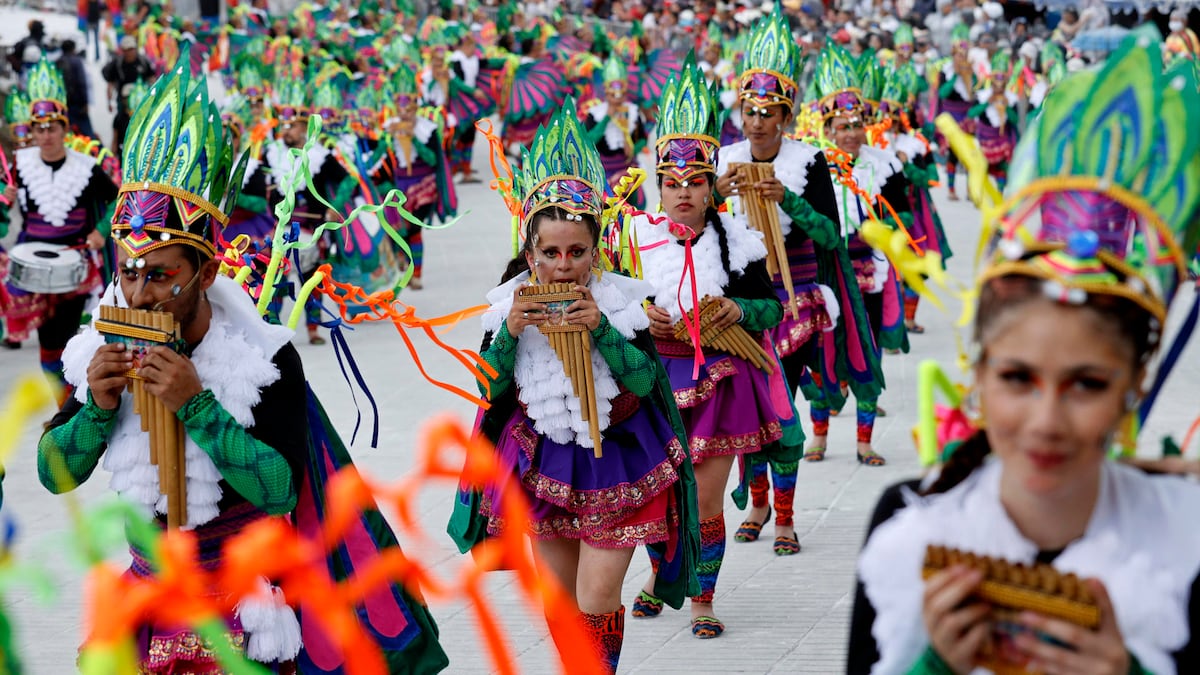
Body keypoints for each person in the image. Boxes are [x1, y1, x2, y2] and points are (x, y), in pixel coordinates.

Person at [849, 33, 1200, 675]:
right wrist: (933, 666)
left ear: (1135, 386)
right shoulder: (911, 525)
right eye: (1017, 378)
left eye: (1087, 384)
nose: (1046, 421)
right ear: (979, 375)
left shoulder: (1184, 539)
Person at [448, 99, 700, 674]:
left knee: (597, 600)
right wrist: (510, 334)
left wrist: (603, 331)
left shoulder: (622, 300)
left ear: (596, 249)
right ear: (530, 252)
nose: (563, 265)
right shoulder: (506, 307)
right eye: (550, 253)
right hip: (545, 462)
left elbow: (646, 379)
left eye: (576, 252)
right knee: (562, 606)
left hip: (620, 458)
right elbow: (488, 392)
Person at [628, 56, 782, 639]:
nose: (683, 193)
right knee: (661, 495)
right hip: (653, 385)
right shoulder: (632, 241)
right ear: (658, 185)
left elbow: (772, 307)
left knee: (706, 500)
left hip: (720, 384)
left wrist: (737, 310)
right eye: (672, 183)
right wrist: (642, 316)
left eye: (695, 182)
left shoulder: (737, 240)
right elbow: (609, 314)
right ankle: (660, 576)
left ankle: (702, 599)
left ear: (710, 184)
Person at [714, 6, 862, 555]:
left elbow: (829, 235)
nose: (756, 122)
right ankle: (756, 504)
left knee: (781, 408)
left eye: (767, 112)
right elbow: (691, 227)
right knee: (746, 411)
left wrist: (788, 201)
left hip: (795, 304)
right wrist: (714, 198)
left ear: (784, 116)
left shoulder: (809, 161)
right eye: (749, 111)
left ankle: (785, 516)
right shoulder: (724, 160)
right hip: (741, 307)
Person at [807, 41, 910, 466]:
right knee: (823, 352)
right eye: (842, 125)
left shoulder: (885, 165)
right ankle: (819, 438)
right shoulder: (813, 165)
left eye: (857, 124)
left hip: (871, 269)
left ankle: (865, 443)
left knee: (868, 349)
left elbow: (904, 214)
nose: (850, 132)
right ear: (829, 127)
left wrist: (881, 229)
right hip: (829, 271)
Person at [2, 59, 118, 391]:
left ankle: (68, 408)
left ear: (64, 129)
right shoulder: (19, 164)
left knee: (68, 345)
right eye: (39, 129)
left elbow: (117, 200)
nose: (46, 135)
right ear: (32, 131)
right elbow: (3, 210)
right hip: (33, 264)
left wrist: (101, 231)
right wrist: (5, 198)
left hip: (74, 263)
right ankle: (64, 406)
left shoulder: (87, 167)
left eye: (52, 128)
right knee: (48, 350)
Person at [262, 77, 357, 345]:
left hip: (310, 230)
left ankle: (313, 328)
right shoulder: (271, 154)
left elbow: (348, 180)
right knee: (276, 282)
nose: (287, 131)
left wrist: (334, 209)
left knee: (311, 282)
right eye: (284, 125)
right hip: (279, 230)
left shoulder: (320, 156)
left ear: (305, 128)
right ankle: (275, 331)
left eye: (292, 126)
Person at [581, 55, 649, 209]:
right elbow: (588, 140)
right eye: (613, 95)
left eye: (621, 94)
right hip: (604, 171)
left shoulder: (633, 111)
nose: (617, 99)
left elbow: (643, 138)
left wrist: (633, 148)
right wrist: (607, 118)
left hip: (627, 169)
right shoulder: (596, 114)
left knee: (633, 206)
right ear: (606, 93)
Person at [101, 36, 155, 156]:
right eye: (127, 50)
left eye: (131, 49)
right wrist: (109, 102)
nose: (130, 52)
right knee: (121, 126)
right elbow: (110, 84)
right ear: (123, 50)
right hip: (123, 102)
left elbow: (152, 78)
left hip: (142, 102)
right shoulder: (117, 64)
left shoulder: (143, 62)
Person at [57, 40, 96, 139]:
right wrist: (85, 102)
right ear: (73, 49)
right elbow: (82, 82)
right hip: (78, 102)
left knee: (69, 131)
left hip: (64, 103)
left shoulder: (58, 62)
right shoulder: (77, 61)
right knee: (86, 131)